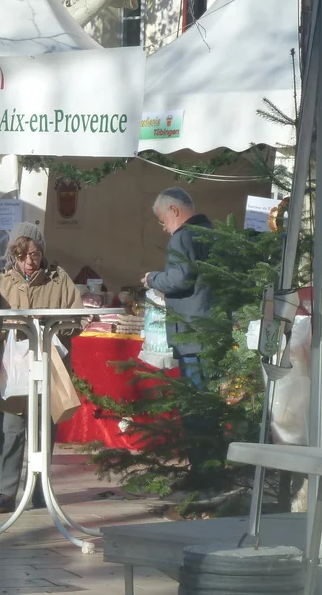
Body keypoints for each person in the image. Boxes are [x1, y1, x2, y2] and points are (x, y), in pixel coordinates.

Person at [0, 222, 82, 513]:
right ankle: (6, 492)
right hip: (12, 370)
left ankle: (40, 490)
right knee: (11, 430)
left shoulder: (59, 280)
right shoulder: (0, 283)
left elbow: (79, 320)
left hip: (48, 367)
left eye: (34, 254)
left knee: (44, 429)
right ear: (13, 254)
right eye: (22, 255)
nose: (29, 261)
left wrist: (51, 326)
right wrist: (4, 327)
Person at [141, 187, 215, 484]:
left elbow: (179, 278)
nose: (163, 227)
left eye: (162, 220)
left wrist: (152, 278)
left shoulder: (183, 237)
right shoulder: (211, 233)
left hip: (190, 334)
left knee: (195, 407)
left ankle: (202, 473)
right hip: (209, 330)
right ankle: (212, 467)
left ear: (174, 211)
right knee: (208, 405)